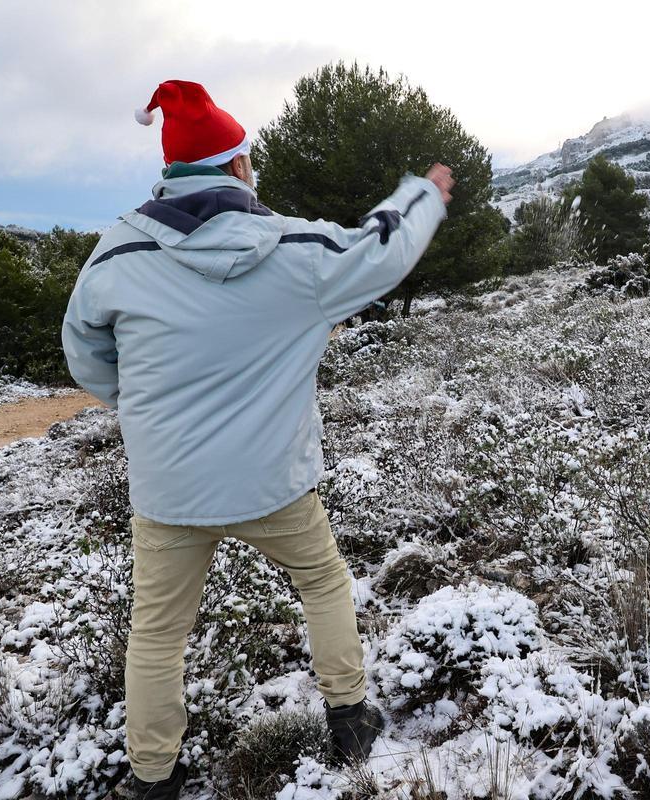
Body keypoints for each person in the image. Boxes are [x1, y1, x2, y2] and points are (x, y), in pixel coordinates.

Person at [62, 79, 454, 799]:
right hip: (274, 484)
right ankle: (349, 719)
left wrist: (143, 403)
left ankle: (153, 778)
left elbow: (83, 352)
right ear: (239, 165)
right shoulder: (296, 250)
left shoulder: (115, 255)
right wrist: (423, 193)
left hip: (169, 491)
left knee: (157, 634)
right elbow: (382, 250)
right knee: (323, 582)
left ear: (173, 171)